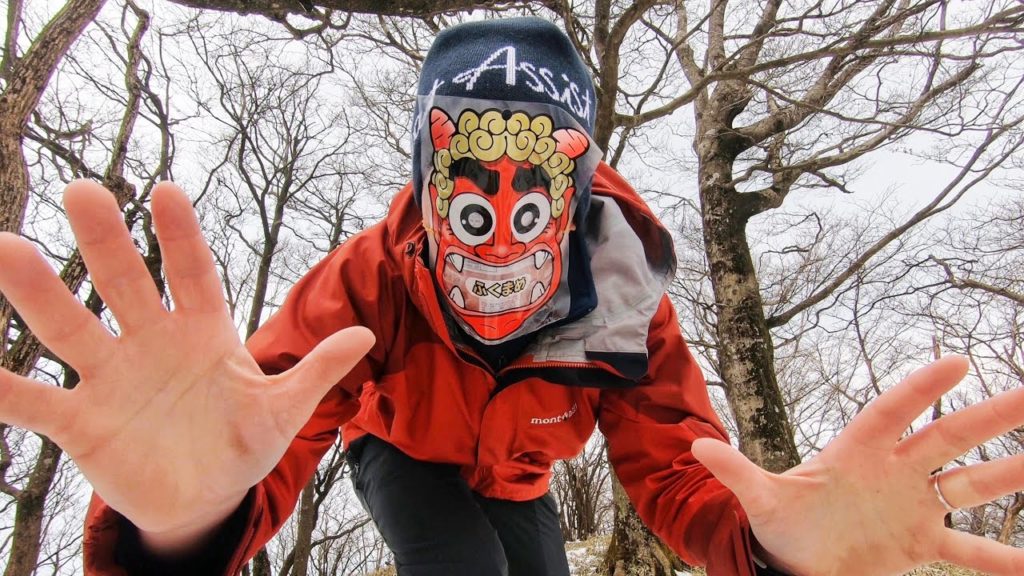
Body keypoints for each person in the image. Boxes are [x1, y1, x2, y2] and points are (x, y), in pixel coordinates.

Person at [0, 16, 1022, 576]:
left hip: (523, 476)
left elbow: (676, 466)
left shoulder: (621, 294)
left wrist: (769, 548)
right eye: (468, 205)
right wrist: (178, 529)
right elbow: (257, 428)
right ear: (428, 183)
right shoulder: (367, 277)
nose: (496, 238)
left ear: (575, 195)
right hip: (402, 451)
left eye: (530, 206)